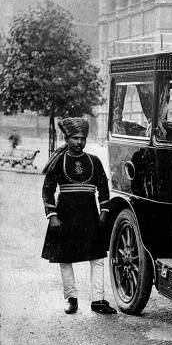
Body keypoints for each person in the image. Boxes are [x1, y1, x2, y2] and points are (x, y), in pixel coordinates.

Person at [41, 118, 116, 314]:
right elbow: (47, 190)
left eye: (82, 138)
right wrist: (53, 216)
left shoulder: (94, 161)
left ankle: (98, 300)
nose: (79, 142)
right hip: (65, 216)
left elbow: (103, 188)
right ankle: (71, 299)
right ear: (66, 139)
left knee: (98, 258)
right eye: (75, 138)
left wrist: (104, 211)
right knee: (65, 258)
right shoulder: (58, 161)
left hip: (90, 215)